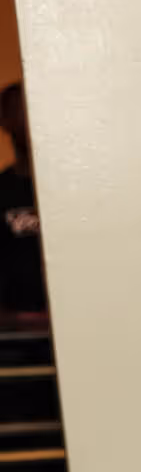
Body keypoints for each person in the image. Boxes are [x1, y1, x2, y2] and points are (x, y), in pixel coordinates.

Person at [0, 82, 48, 321]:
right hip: (19, 331)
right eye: (18, 111)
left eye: (31, 109)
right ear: (4, 121)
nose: (26, 119)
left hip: (76, 320)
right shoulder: (2, 189)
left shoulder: (66, 188)